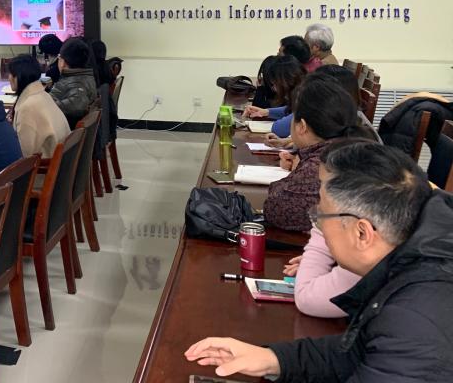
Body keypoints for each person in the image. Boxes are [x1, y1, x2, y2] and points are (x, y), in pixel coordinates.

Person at [185, 141, 453, 382]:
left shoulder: (414, 318)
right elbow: (359, 350)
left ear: (362, 233)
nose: (319, 226)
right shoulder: (412, 258)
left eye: (321, 215)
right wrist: (274, 360)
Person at [262, 77, 370, 232]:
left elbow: (274, 208)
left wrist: (298, 170)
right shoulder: (349, 146)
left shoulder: (322, 165)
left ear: (302, 126)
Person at [7, 54, 69, 158]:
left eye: (10, 74)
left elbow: (25, 154)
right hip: (59, 161)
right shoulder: (44, 95)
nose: (8, 78)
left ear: (18, 77)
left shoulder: (28, 107)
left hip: (44, 166)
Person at [242, 55, 304, 134]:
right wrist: (266, 112)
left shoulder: (306, 96)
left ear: (284, 82)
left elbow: (278, 128)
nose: (273, 88)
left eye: (274, 84)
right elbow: (289, 110)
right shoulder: (301, 89)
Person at [49, 36, 97, 128]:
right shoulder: (86, 77)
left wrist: (47, 105)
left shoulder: (76, 83)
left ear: (63, 62)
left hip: (64, 131)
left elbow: (78, 104)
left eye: (59, 57)